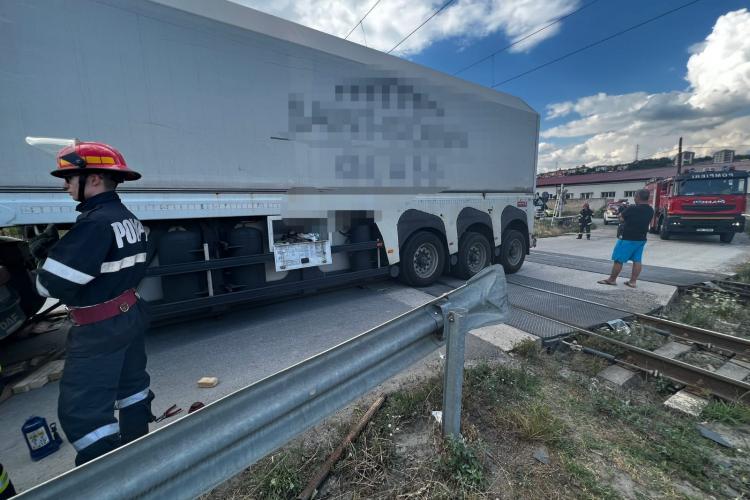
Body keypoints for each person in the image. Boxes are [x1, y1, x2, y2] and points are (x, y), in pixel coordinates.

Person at [32, 140, 153, 465]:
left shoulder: (94, 225)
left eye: (70, 177)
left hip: (99, 328)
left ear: (95, 179)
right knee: (132, 388)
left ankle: (109, 479)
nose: (65, 184)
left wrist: (43, 255)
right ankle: (138, 458)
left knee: (82, 414)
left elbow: (47, 286)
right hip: (128, 316)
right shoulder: (127, 218)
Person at [597, 189, 654, 288]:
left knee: (618, 259)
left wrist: (623, 213)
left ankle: (612, 280)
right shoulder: (650, 210)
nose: (634, 198)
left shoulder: (632, 208)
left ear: (638, 197)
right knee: (637, 260)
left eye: (635, 196)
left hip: (628, 238)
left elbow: (621, 218)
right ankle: (632, 282)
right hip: (641, 239)